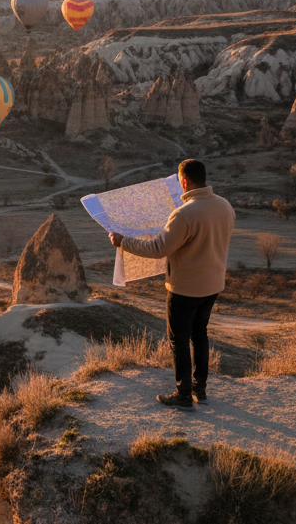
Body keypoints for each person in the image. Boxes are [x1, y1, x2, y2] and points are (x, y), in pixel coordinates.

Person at [109, 159, 234, 410]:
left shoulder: (183, 214)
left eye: (179, 182)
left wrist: (123, 242)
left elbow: (158, 248)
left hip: (185, 288)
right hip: (212, 285)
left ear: (184, 181)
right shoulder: (225, 205)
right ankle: (200, 388)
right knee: (200, 335)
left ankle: (183, 395)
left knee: (179, 339)